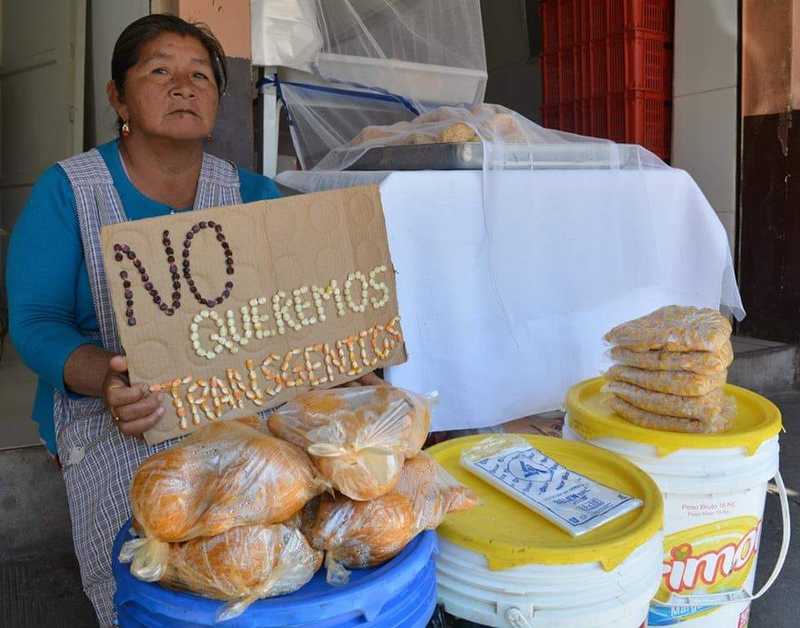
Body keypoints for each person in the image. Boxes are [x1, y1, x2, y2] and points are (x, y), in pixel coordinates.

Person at [6, 14, 380, 625]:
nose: (184, 86)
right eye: (160, 71)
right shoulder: (71, 192)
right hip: (119, 412)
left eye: (200, 75)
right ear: (117, 96)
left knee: (277, 545)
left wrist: (348, 351)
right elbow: (37, 322)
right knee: (153, 563)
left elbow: (315, 296)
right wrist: (109, 379)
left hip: (235, 401)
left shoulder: (251, 195)